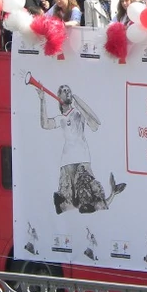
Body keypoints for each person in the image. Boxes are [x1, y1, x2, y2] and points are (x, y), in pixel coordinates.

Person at [35, 84, 126, 215]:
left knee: (88, 195)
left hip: (82, 159)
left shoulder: (78, 112)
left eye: (68, 90)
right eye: (63, 90)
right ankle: (112, 195)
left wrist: (80, 106)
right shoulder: (60, 119)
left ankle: (109, 196)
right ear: (58, 97)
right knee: (67, 202)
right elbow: (45, 124)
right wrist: (42, 100)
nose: (67, 92)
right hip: (66, 162)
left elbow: (95, 125)